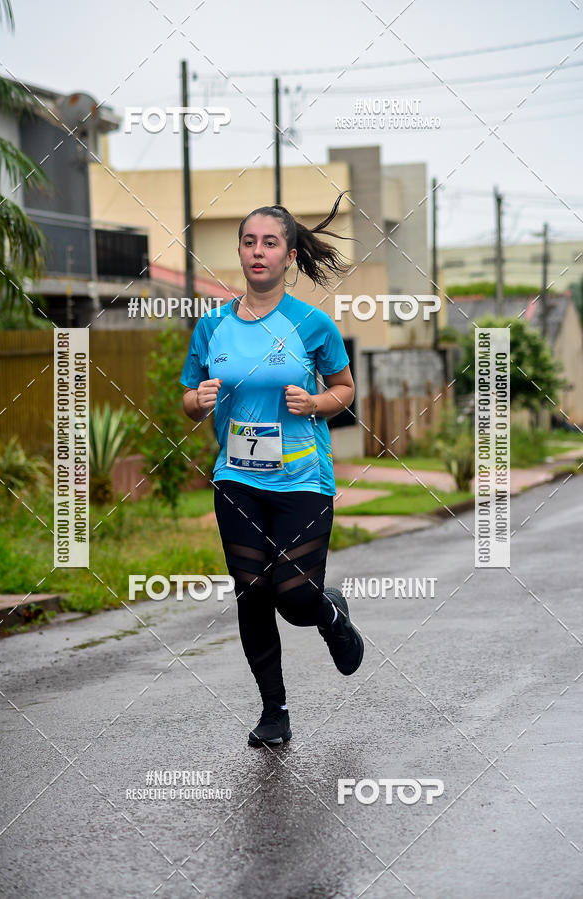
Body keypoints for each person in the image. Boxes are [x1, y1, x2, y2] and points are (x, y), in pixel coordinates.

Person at [180, 190, 364, 747]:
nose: (258, 251)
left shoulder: (311, 324)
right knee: (252, 589)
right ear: (239, 252)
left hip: (302, 479)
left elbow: (345, 389)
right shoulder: (212, 328)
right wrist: (200, 400)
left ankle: (329, 613)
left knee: (295, 596)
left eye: (271, 242)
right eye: (249, 241)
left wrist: (316, 404)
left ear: (288, 256)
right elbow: (188, 396)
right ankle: (274, 711)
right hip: (237, 478)